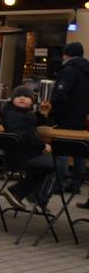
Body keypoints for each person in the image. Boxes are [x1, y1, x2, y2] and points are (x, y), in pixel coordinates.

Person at [0, 87, 56, 209]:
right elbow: (26, 135)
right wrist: (43, 145)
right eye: (18, 96)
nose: (22, 98)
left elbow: (38, 127)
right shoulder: (18, 116)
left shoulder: (18, 114)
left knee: (45, 166)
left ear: (31, 102)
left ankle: (18, 192)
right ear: (12, 100)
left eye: (26, 96)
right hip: (23, 156)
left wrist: (42, 114)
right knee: (56, 165)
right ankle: (37, 200)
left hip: (17, 155)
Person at [51, 42, 89, 196]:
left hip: (66, 116)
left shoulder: (68, 70)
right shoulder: (87, 70)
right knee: (79, 150)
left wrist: (54, 111)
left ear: (66, 54)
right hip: (82, 117)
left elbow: (61, 94)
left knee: (62, 149)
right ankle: (76, 183)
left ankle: (59, 183)